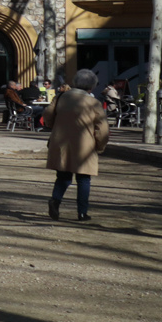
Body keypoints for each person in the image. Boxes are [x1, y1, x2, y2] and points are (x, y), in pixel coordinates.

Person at [43, 68, 110, 222]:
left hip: (61, 142)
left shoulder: (60, 97)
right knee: (84, 179)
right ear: (91, 86)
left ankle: (55, 200)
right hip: (84, 143)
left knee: (63, 176)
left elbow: (47, 115)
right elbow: (103, 128)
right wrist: (100, 145)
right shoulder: (94, 103)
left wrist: (54, 126)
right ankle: (82, 212)